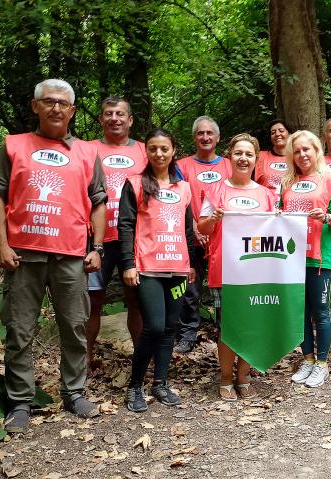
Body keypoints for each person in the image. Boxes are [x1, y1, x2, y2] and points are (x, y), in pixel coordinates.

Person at [0, 79, 105, 433]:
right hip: (23, 254)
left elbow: (99, 200)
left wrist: (97, 247)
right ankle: (21, 401)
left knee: (74, 325)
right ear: (35, 106)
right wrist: (2, 243)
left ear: (72, 111)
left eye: (63, 103)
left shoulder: (87, 152)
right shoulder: (15, 146)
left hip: (70, 253)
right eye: (49, 101)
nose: (56, 108)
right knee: (20, 328)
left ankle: (74, 393)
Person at [119, 128, 198, 413]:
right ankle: (135, 386)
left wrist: (189, 264)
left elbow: (188, 230)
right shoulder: (136, 183)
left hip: (177, 267)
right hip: (147, 268)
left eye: (164, 148)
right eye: (153, 148)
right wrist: (128, 264)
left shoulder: (184, 187)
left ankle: (161, 383)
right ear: (147, 152)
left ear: (173, 150)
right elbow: (125, 225)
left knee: (169, 329)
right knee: (152, 327)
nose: (159, 154)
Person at [198, 133, 276, 401]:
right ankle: (224, 377)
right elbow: (202, 228)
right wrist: (213, 218)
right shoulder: (215, 190)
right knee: (228, 327)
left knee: (252, 324)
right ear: (229, 156)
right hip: (225, 270)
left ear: (256, 160)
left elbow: (274, 232)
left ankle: (243, 375)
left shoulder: (266, 195)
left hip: (256, 271)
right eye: (239, 153)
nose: (243, 158)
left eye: (249, 154)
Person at [281, 130, 331, 388]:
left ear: (316, 151)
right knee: (300, 313)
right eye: (297, 151)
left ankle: (322, 363)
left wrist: (327, 217)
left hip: (320, 257)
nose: (302, 155)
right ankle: (307, 359)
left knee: (321, 312)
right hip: (292, 257)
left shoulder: (330, 180)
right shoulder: (287, 182)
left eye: (306, 149)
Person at [86, 97, 147, 369]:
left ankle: (142, 357)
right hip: (96, 237)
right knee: (92, 300)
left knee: (136, 300)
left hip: (134, 239)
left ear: (130, 119)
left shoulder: (146, 151)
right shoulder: (87, 150)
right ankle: (84, 359)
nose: (114, 118)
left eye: (120, 113)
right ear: (101, 120)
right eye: (108, 114)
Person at [174, 116, 231, 353]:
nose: (205, 137)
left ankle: (227, 331)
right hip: (192, 236)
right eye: (200, 133)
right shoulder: (182, 165)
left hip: (225, 239)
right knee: (190, 286)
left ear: (217, 138)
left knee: (227, 287)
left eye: (210, 133)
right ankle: (188, 333)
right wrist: (196, 226)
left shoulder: (229, 164)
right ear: (194, 137)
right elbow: (178, 199)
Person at [255, 119, 290, 194]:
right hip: (265, 201)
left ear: (289, 134)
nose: (277, 134)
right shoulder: (260, 156)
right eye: (273, 132)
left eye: (281, 131)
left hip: (291, 202)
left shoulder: (297, 157)